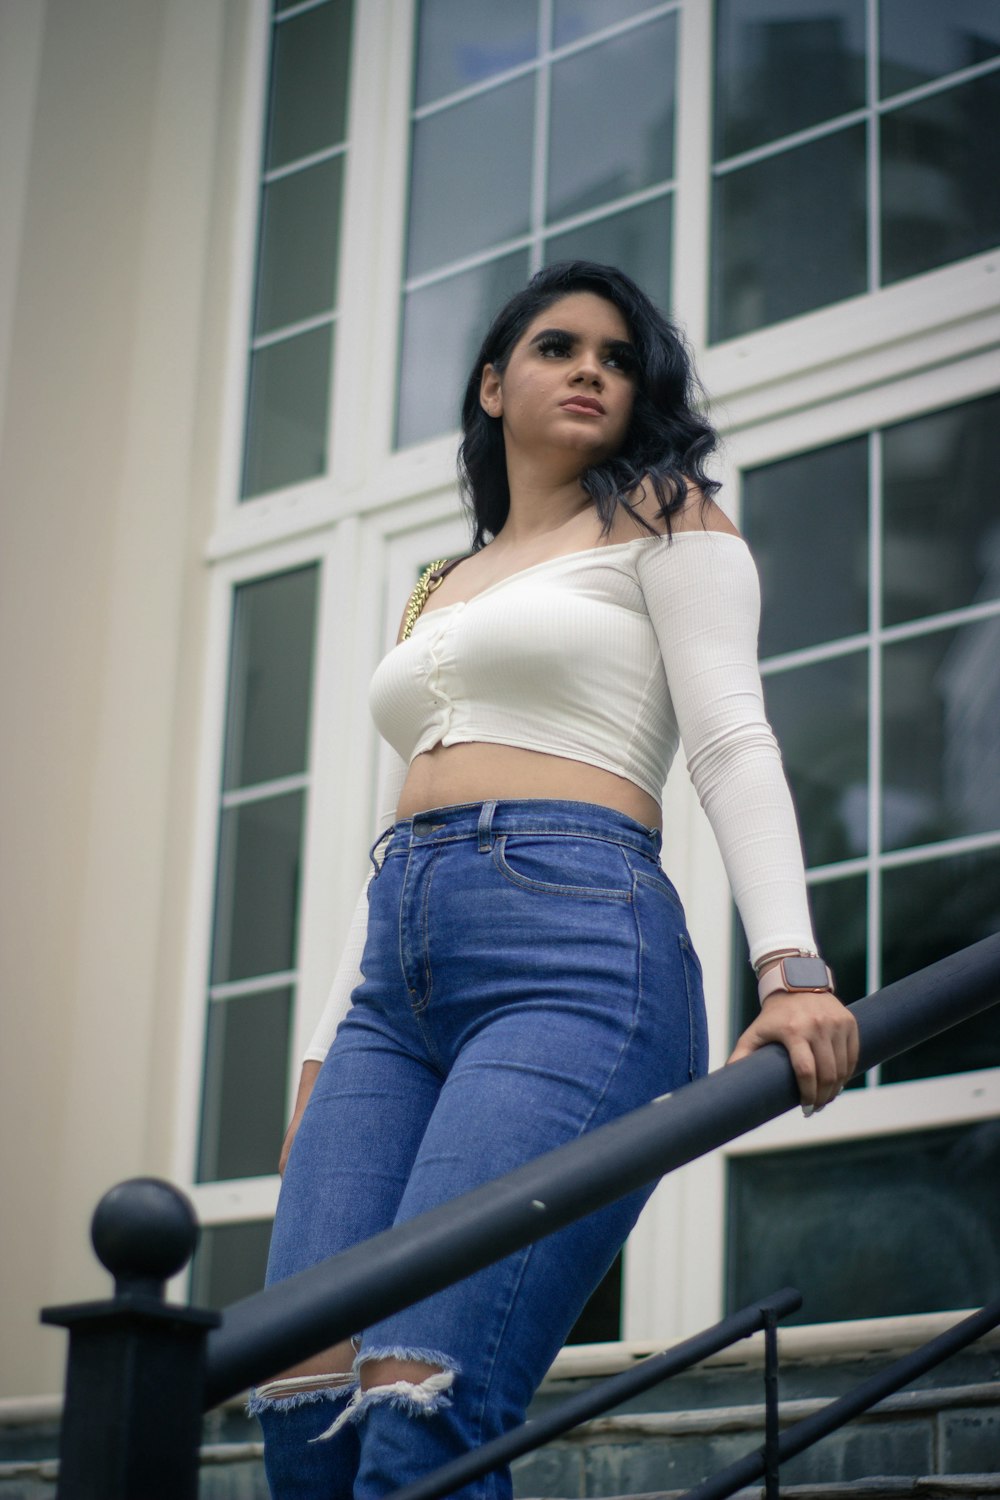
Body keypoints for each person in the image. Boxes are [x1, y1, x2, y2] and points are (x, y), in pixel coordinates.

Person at [251, 261, 859, 1499]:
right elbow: (392, 828)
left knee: (418, 1398)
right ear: (491, 385)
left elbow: (734, 740)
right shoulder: (441, 581)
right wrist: (321, 1059)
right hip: (394, 987)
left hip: (575, 950)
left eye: (618, 357)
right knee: (295, 1398)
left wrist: (790, 969)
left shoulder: (665, 515)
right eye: (557, 346)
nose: (591, 368)